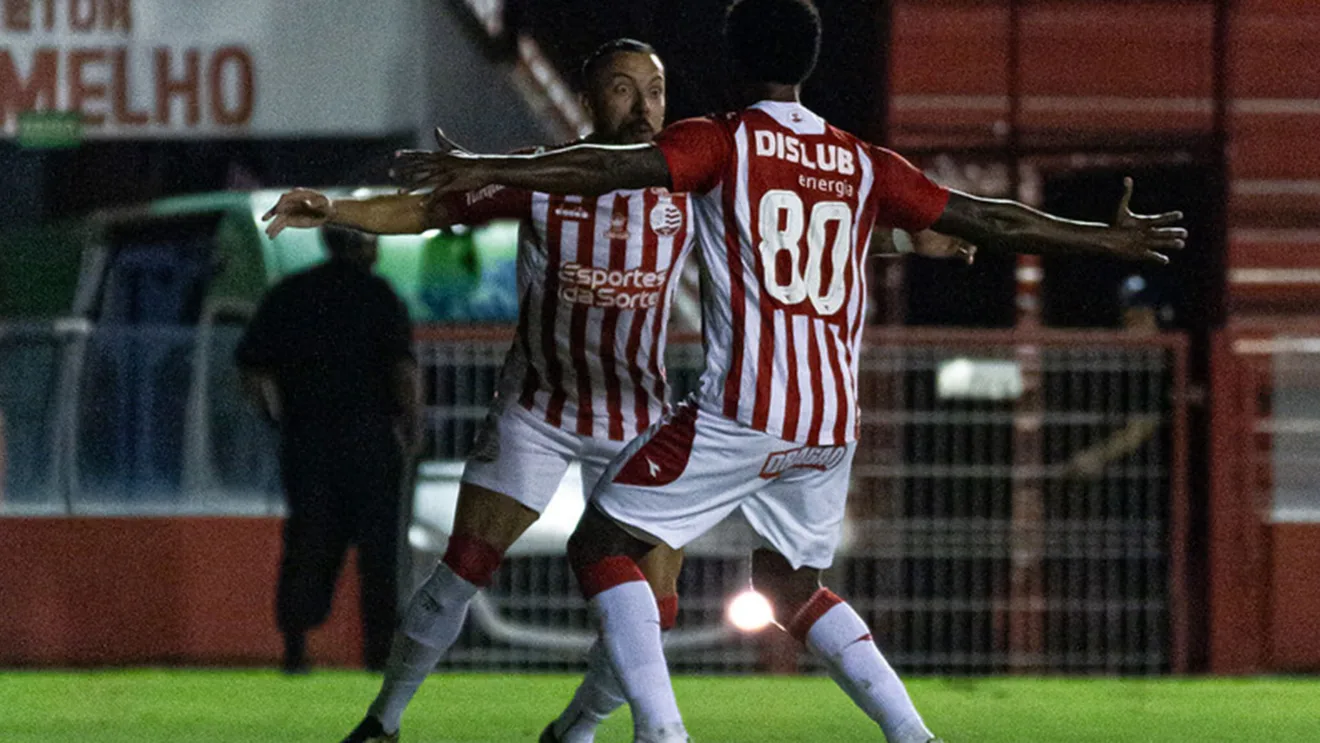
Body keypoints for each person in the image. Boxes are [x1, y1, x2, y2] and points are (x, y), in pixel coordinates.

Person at [392, 1, 1187, 741]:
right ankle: (913, 734)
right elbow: (987, 218)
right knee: (789, 585)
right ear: (811, 61)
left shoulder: (719, 140)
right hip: (829, 421)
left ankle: (661, 732)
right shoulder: (860, 161)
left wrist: (490, 167)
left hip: (743, 409)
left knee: (601, 538)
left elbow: (607, 170)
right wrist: (1101, 239)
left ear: (734, 56)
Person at [235, 225, 422, 675]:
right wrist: (413, 425)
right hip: (370, 441)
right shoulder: (379, 296)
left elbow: (251, 367)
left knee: (308, 542)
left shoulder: (290, 294)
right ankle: (379, 653)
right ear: (359, 245)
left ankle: (296, 648)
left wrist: (274, 418)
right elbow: (402, 369)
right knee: (380, 552)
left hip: (308, 441)